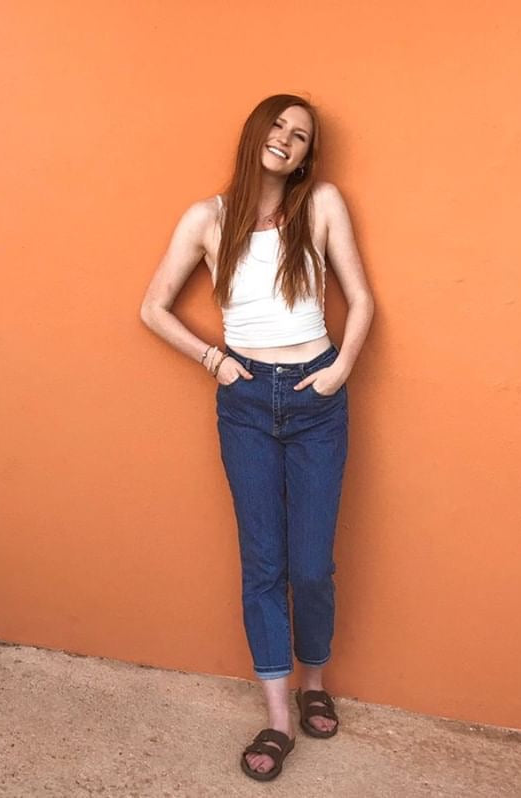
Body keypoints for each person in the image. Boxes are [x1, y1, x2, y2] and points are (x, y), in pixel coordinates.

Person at [140, 93, 374, 781]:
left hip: (315, 399)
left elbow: (362, 298)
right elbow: (152, 307)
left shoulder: (320, 203)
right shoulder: (207, 219)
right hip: (245, 402)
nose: (286, 139)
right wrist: (212, 359)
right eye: (278, 125)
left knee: (311, 565)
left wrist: (339, 370)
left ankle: (313, 682)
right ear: (255, 133)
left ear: (306, 155)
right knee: (263, 564)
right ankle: (278, 718)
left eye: (301, 135)